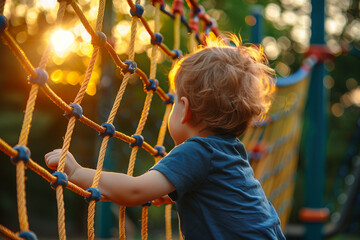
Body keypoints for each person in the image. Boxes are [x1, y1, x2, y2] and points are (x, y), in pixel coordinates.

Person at [45, 34, 285, 239]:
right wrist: (172, 191)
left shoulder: (198, 150)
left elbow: (135, 191)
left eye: (172, 103)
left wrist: (76, 173)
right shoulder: (231, 149)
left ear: (185, 108)